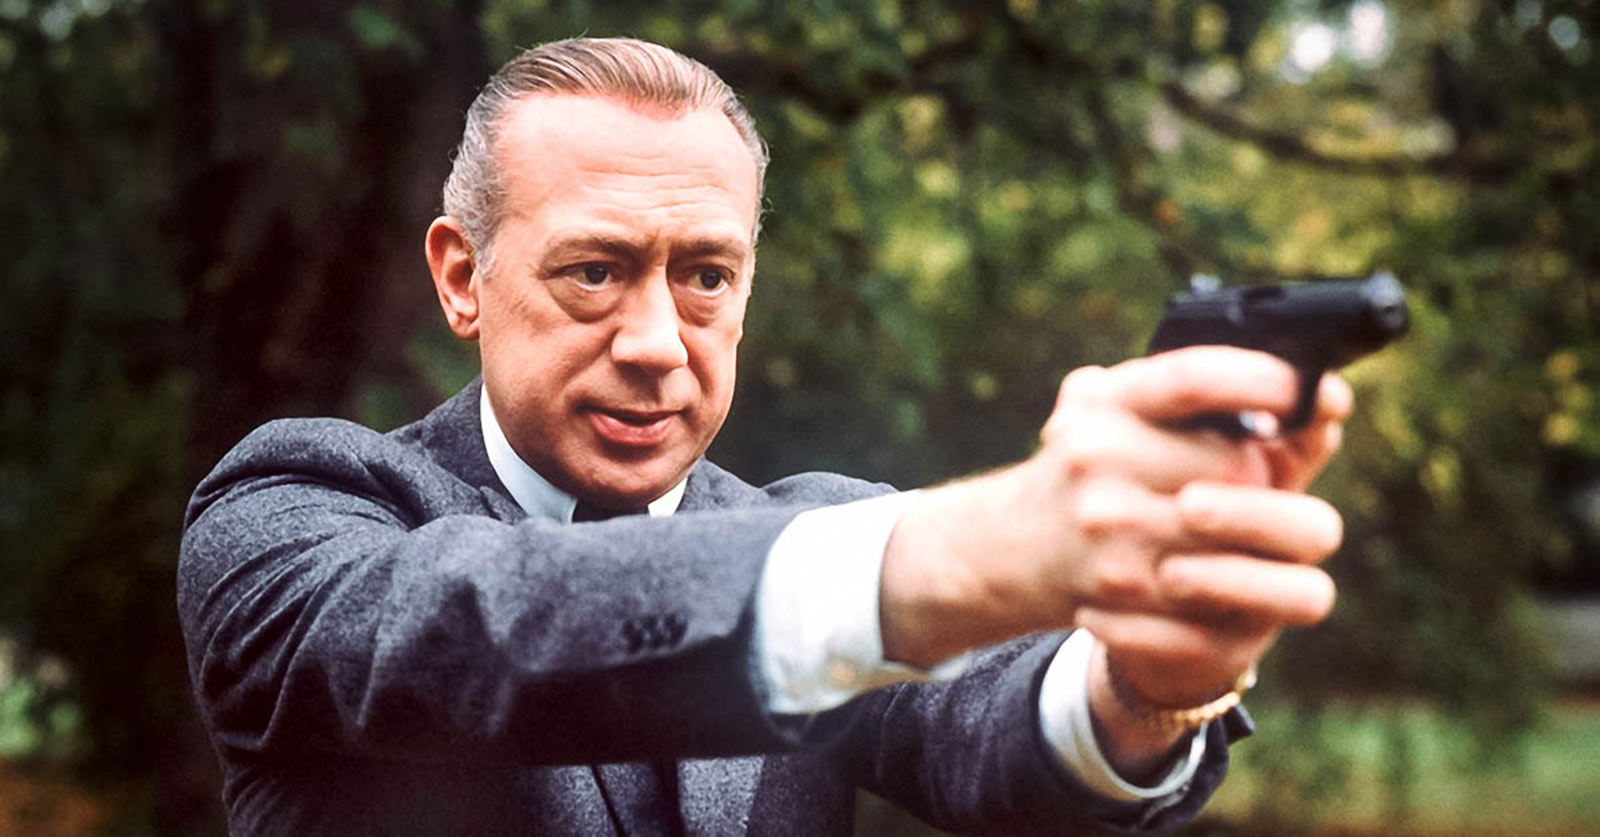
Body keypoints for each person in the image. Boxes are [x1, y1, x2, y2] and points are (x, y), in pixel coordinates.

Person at [178, 37, 1349, 835]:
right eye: (594, 271)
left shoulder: (824, 529)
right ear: (461, 277)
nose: (656, 342)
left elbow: (997, 740)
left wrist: (1146, 682)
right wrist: (963, 555)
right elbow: (475, 628)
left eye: (705, 275)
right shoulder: (293, 516)